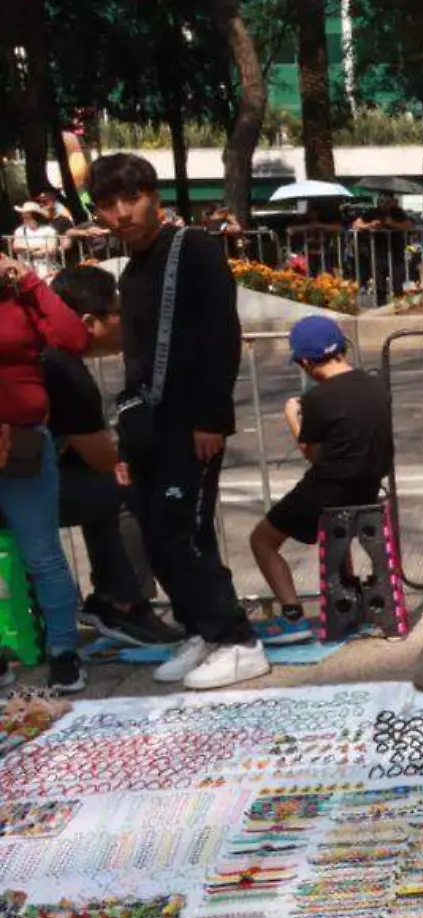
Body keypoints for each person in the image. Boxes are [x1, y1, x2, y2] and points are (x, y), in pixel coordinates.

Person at [89, 152, 267, 690]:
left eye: (132, 199)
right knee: (163, 529)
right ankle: (204, 629)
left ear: (154, 197)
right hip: (151, 426)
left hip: (193, 421)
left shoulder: (192, 248)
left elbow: (221, 335)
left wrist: (210, 416)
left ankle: (238, 640)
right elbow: (138, 356)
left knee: (176, 534)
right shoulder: (136, 266)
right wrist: (126, 442)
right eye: (108, 204)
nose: (121, 213)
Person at [44, 265, 183, 648]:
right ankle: (124, 603)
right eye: (117, 311)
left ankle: (111, 597)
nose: (124, 321)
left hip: (26, 482)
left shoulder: (45, 356)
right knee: (120, 492)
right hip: (19, 494)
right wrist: (117, 462)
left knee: (102, 487)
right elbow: (103, 458)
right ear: (90, 321)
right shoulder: (64, 371)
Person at [249, 316, 393, 646]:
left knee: (262, 540)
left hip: (326, 489)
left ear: (304, 362)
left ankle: (292, 614)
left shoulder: (317, 399)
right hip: (368, 486)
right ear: (342, 348)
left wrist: (292, 417)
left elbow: (312, 453)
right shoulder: (375, 385)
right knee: (336, 534)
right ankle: (347, 601)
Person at [0, 249, 89, 693]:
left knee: (42, 553)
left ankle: (63, 651)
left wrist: (30, 281)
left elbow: (73, 339)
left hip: (24, 444)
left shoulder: (19, 293)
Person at [351, 192, 415, 304]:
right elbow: (356, 225)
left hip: (396, 251)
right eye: (381, 201)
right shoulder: (373, 212)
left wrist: (392, 223)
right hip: (378, 251)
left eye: (386, 201)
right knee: (379, 281)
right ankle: (381, 304)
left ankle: (398, 304)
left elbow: (408, 225)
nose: (383, 204)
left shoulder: (397, 212)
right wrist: (370, 225)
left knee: (397, 280)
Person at [10, 203, 66, 280]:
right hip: (27, 272)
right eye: (23, 216)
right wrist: (38, 247)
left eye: (28, 216)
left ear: (35, 216)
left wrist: (27, 249)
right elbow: (16, 247)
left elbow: (51, 250)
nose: (24, 218)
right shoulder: (19, 231)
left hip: (48, 270)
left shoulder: (49, 230)